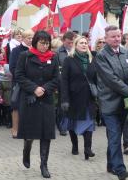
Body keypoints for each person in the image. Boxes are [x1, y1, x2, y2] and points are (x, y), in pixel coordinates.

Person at [15, 30, 58, 178]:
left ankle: (44, 165)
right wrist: (34, 88)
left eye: (47, 43)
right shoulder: (25, 56)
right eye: (42, 43)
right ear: (35, 42)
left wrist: (45, 89)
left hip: (46, 100)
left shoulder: (53, 57)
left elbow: (56, 78)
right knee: (30, 133)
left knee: (46, 133)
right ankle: (26, 150)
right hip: (29, 99)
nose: (44, 46)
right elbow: (19, 75)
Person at [95, 25, 128, 180]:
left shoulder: (127, 52)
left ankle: (111, 164)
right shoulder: (101, 55)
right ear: (106, 38)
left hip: (125, 102)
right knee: (115, 135)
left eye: (118, 36)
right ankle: (120, 169)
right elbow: (111, 79)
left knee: (114, 136)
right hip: (109, 102)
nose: (117, 39)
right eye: (113, 36)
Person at [61, 36, 97, 160]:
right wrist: (64, 99)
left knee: (89, 122)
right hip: (73, 97)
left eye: (86, 43)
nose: (84, 45)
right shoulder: (69, 60)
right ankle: (75, 145)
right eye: (81, 43)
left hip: (89, 98)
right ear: (75, 45)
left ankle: (88, 149)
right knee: (72, 122)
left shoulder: (92, 59)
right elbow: (64, 80)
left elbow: (96, 78)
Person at [9, 29, 33, 138]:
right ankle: (15, 129)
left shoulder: (35, 50)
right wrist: (23, 78)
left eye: (32, 38)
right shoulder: (16, 50)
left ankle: (28, 129)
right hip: (19, 83)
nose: (31, 40)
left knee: (30, 106)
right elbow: (12, 67)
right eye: (29, 38)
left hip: (32, 83)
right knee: (16, 106)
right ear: (23, 38)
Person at [56, 31, 75, 136]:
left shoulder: (76, 50)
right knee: (62, 105)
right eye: (68, 43)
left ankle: (71, 125)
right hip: (63, 82)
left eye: (72, 42)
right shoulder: (59, 52)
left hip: (74, 82)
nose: (71, 45)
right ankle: (62, 127)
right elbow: (57, 69)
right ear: (63, 41)